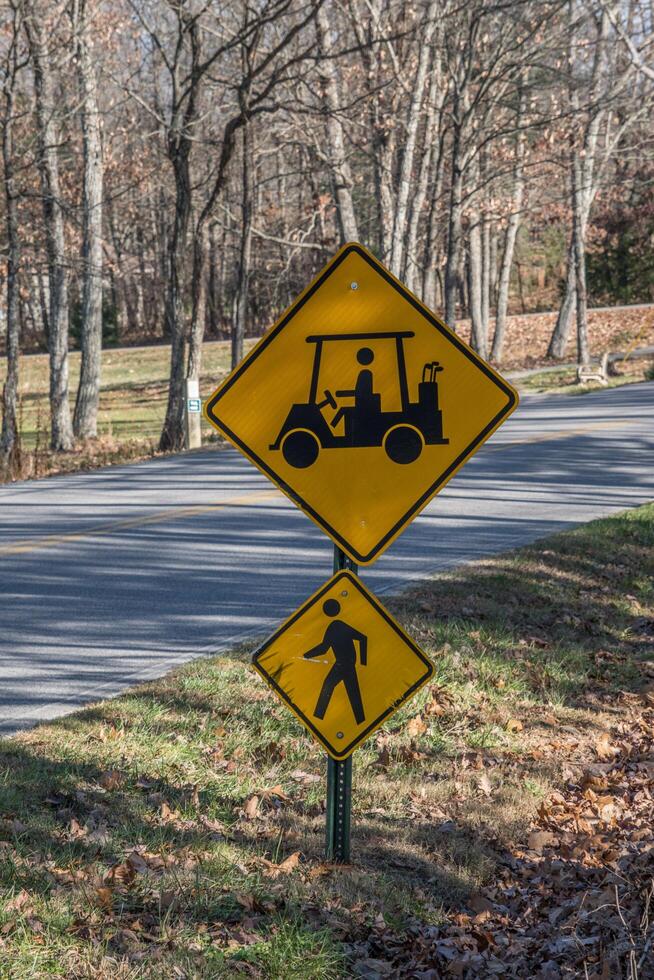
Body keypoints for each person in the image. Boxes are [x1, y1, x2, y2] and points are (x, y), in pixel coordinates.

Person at [303, 598, 367, 724]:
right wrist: (306, 655)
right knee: (353, 693)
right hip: (347, 664)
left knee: (328, 685)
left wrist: (363, 662)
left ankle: (318, 719)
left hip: (343, 664)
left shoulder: (335, 626)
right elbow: (324, 648)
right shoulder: (337, 625)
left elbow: (323, 648)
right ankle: (361, 721)